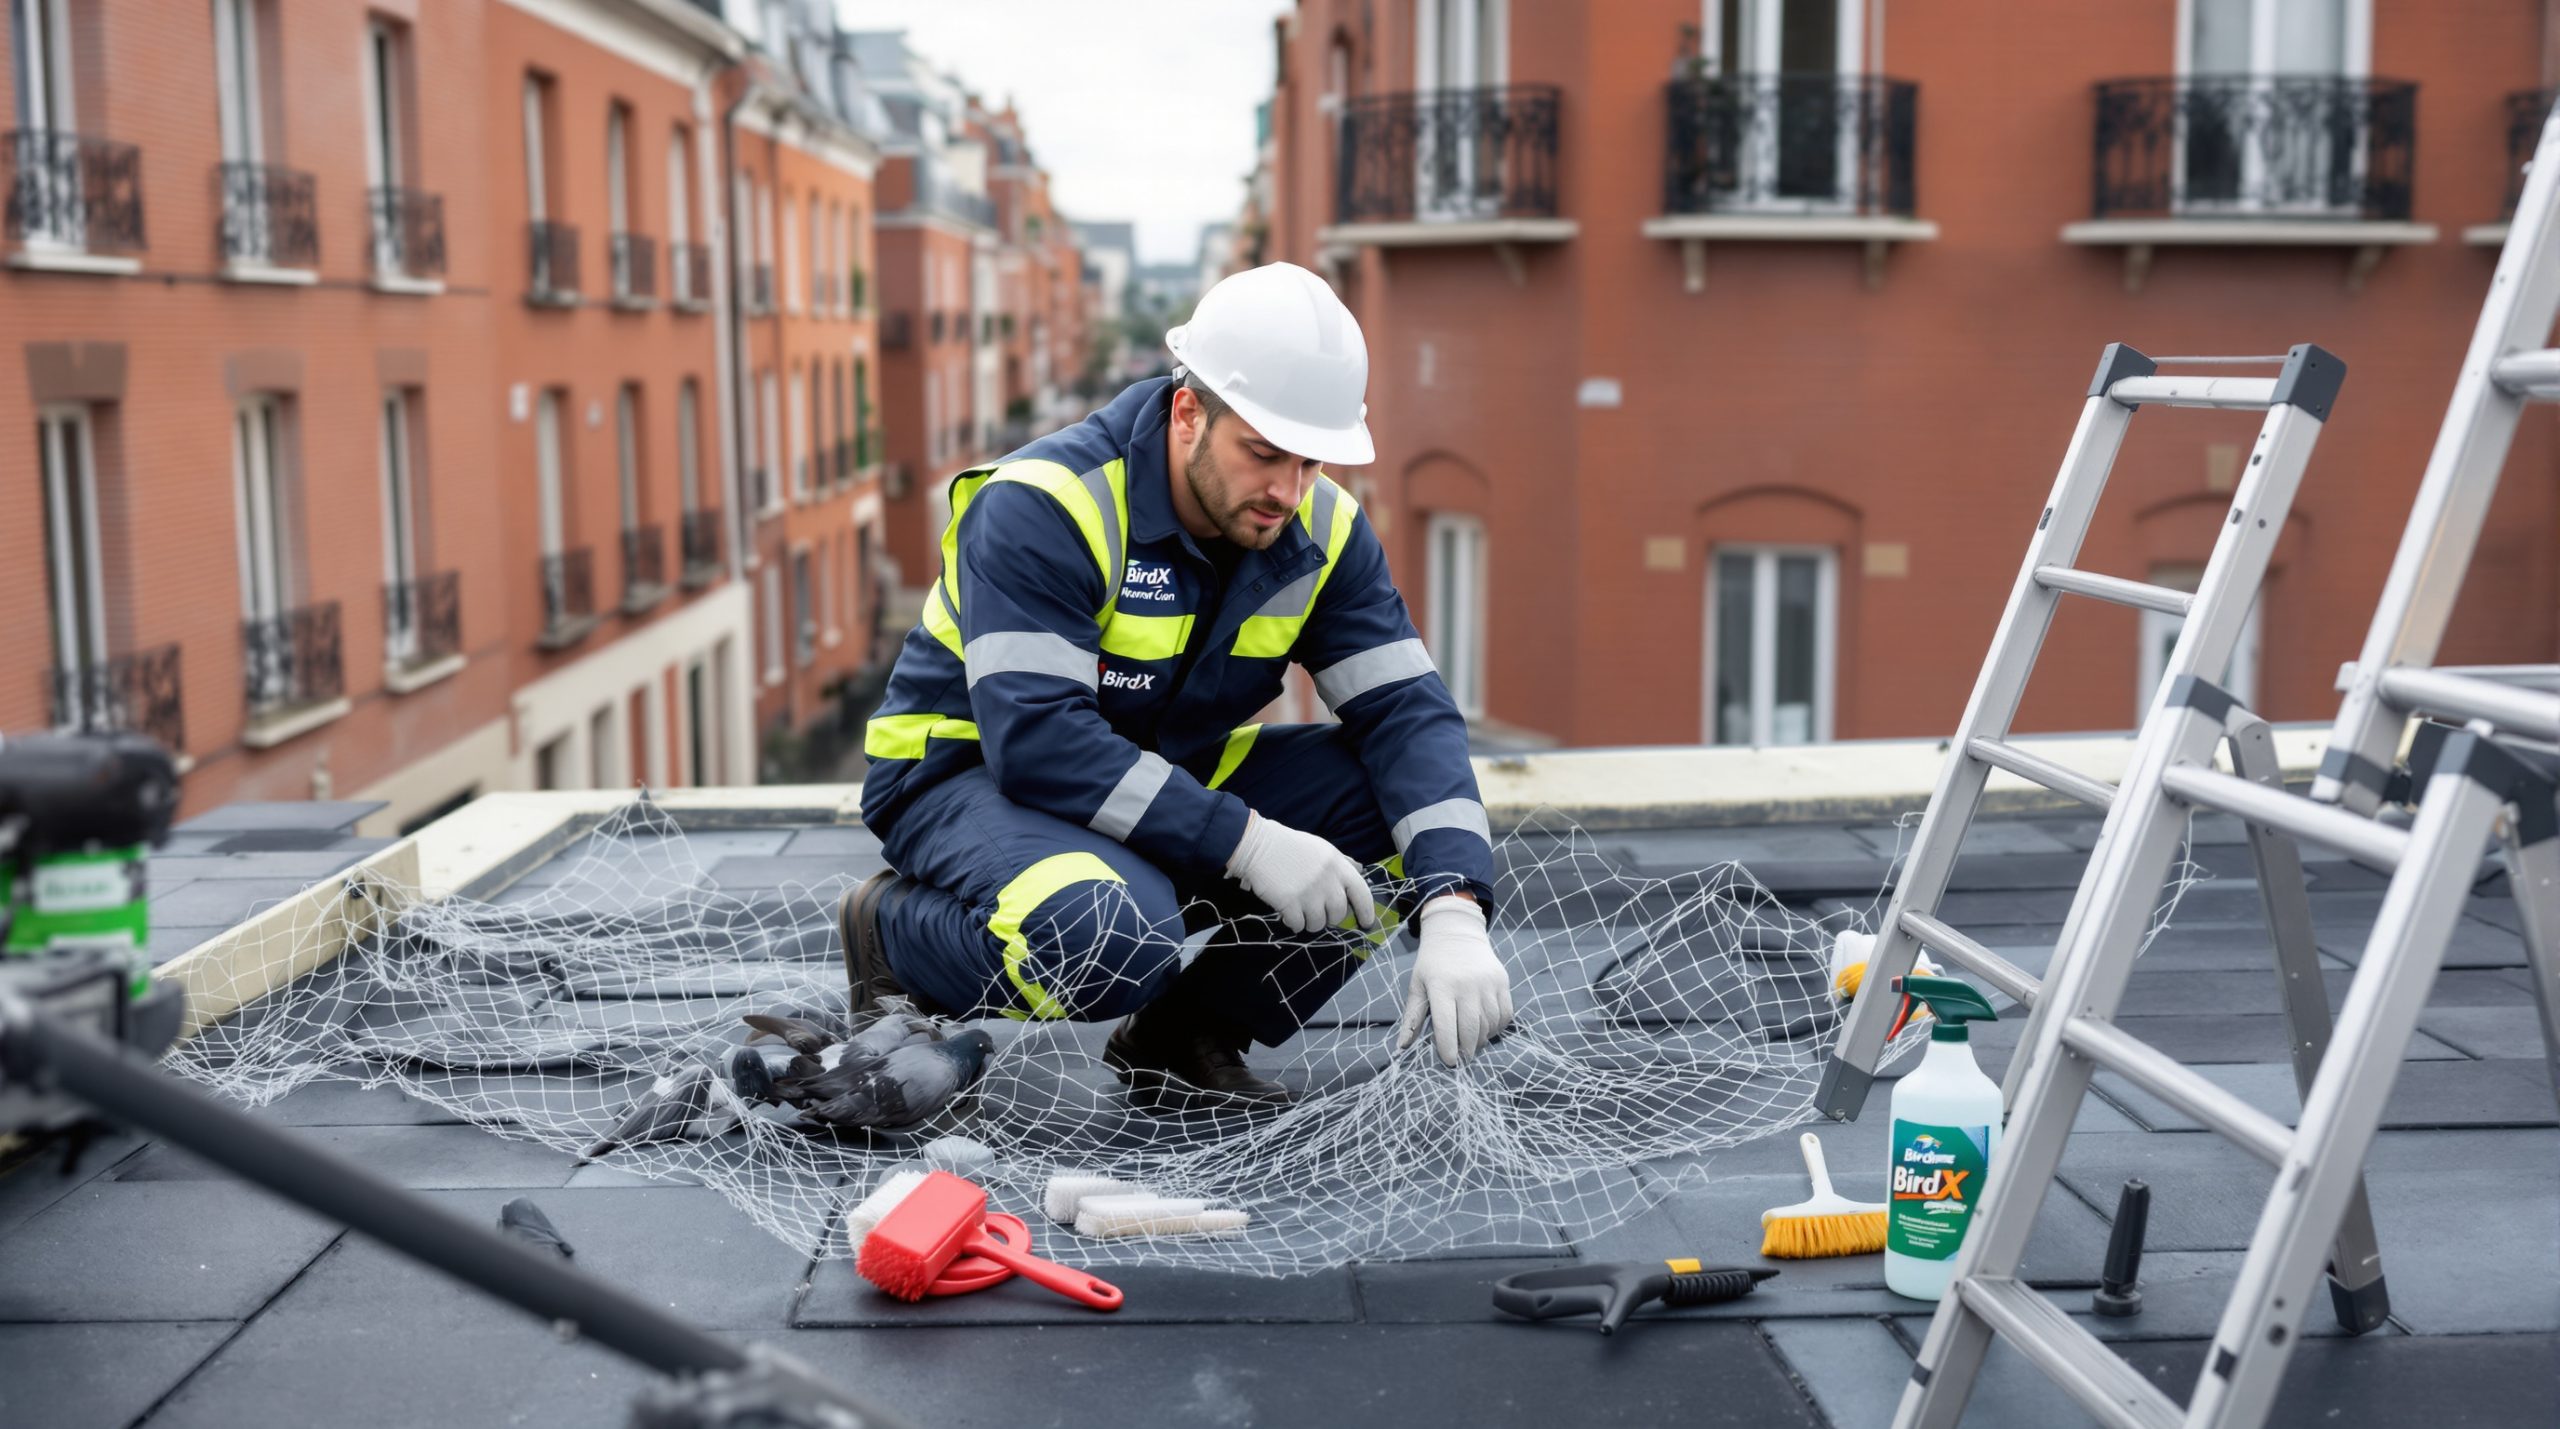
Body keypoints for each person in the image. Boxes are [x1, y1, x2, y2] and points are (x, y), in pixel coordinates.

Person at [843, 261, 1511, 1111]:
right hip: (964, 777)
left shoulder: (1321, 526)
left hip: (1159, 780)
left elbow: (1408, 716)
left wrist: (1453, 906)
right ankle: (894, 935)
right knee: (1114, 942)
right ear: (1188, 410)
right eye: (1263, 453)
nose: (1288, 491)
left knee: (1393, 815)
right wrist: (1251, 843)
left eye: (1311, 461)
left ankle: (1184, 1034)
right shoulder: (1047, 504)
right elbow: (1039, 742)